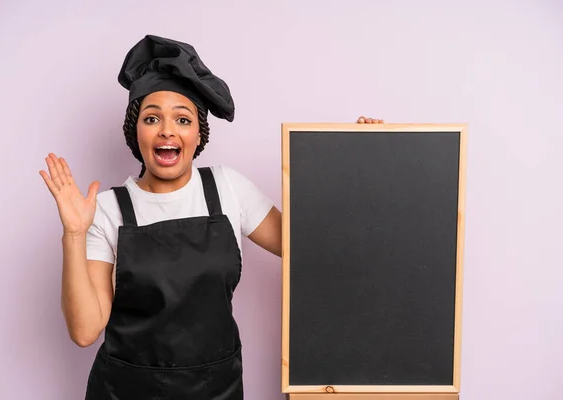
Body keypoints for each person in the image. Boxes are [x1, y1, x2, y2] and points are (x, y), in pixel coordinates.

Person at [39, 34, 383, 400]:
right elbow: (85, 331)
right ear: (134, 132)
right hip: (125, 391)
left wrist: (359, 158)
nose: (167, 130)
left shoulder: (228, 189)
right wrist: (74, 234)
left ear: (198, 133)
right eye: (152, 118)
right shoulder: (106, 209)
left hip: (215, 388)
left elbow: (312, 248)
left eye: (182, 119)